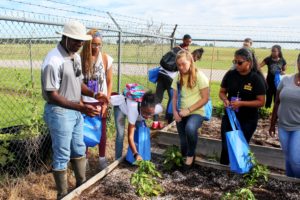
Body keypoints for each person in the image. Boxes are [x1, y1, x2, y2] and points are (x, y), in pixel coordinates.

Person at [41, 21, 107, 199]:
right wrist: (79, 106)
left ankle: (81, 185)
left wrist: (94, 93)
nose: (80, 44)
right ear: (65, 37)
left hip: (75, 110)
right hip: (59, 111)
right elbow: (51, 94)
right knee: (62, 153)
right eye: (76, 40)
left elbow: (79, 83)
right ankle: (63, 194)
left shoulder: (75, 57)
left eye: (82, 41)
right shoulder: (53, 60)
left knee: (78, 147)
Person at [219, 48, 266, 165]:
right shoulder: (230, 74)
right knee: (226, 145)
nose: (236, 65)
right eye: (234, 62)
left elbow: (261, 102)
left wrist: (242, 103)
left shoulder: (256, 78)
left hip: (248, 119)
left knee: (240, 146)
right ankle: (223, 169)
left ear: (249, 62)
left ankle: (239, 171)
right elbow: (222, 92)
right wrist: (225, 99)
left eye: (239, 62)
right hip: (230, 116)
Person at [81, 29, 113, 170]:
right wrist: (81, 103)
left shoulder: (106, 59)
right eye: (94, 44)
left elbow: (110, 82)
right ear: (87, 43)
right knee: (84, 131)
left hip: (101, 102)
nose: (97, 47)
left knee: (102, 131)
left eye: (99, 44)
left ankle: (101, 158)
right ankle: (85, 160)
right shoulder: (80, 59)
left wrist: (107, 101)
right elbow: (77, 83)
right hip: (85, 101)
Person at [172, 50, 209, 169]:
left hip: (196, 112)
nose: (181, 67)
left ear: (190, 62)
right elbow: (174, 97)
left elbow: (205, 98)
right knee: (183, 143)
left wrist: (188, 110)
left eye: (183, 64)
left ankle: (191, 157)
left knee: (190, 128)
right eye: (178, 65)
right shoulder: (178, 77)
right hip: (181, 113)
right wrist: (175, 113)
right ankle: (186, 155)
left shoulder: (199, 76)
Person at [152, 47, 204, 129]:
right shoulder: (186, 58)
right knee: (172, 97)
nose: (195, 61)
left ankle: (155, 122)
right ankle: (169, 120)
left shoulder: (180, 51)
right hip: (170, 78)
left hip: (161, 74)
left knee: (158, 98)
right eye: (195, 59)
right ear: (195, 56)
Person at [269, 54, 300, 178]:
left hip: (298, 127)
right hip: (283, 126)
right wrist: (272, 124)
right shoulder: (286, 80)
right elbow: (277, 102)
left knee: (295, 160)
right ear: (297, 63)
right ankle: (290, 183)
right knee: (288, 158)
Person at [113, 92, 162, 160]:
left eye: (150, 114)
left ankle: (142, 155)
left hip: (137, 112)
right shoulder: (133, 110)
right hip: (121, 107)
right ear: (141, 107)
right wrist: (135, 154)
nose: (147, 116)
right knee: (120, 135)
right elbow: (130, 136)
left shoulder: (157, 108)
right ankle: (118, 159)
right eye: (145, 113)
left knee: (141, 132)